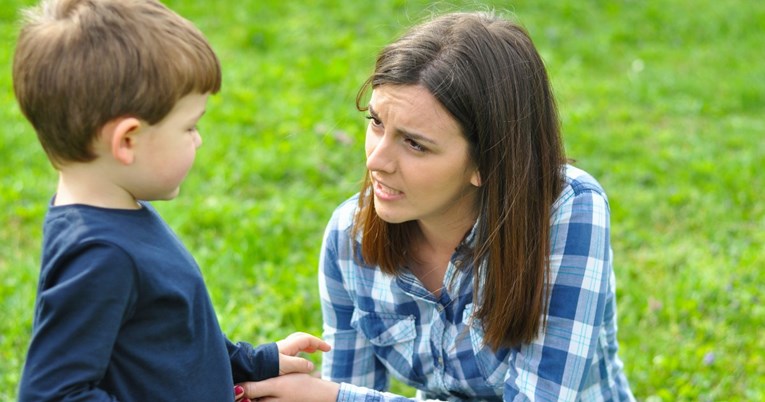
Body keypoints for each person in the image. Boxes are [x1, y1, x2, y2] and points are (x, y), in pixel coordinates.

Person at [239, 10, 635, 402]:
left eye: (415, 143)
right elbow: (351, 380)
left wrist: (335, 398)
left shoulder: (566, 211)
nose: (376, 160)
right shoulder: (350, 237)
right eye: (376, 122)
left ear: (488, 162)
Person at [13, 1, 329, 401]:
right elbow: (53, 394)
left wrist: (252, 361)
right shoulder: (101, 256)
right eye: (189, 126)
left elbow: (167, 336)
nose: (198, 139)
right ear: (127, 140)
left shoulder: (117, 213)